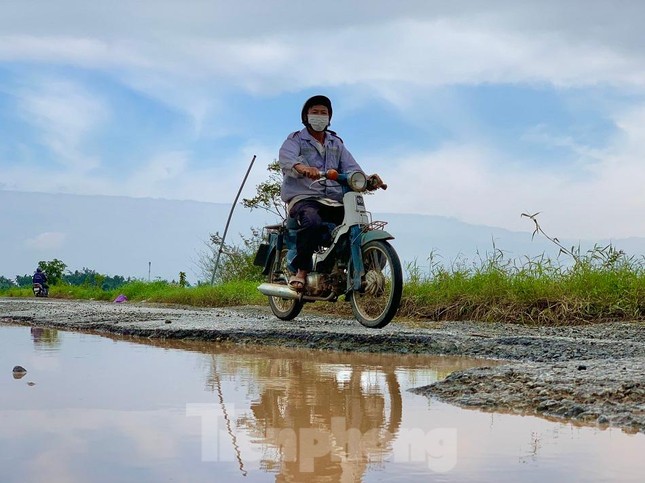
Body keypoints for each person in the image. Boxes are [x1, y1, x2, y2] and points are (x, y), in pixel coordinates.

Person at [278, 95, 383, 291]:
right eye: (315, 112)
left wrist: (367, 180)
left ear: (329, 117)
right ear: (306, 116)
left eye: (323, 113)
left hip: (334, 200)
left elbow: (352, 168)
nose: (319, 116)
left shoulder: (336, 143)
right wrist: (302, 168)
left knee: (358, 226)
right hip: (305, 197)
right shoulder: (295, 140)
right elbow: (286, 160)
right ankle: (301, 270)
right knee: (313, 222)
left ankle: (353, 269)